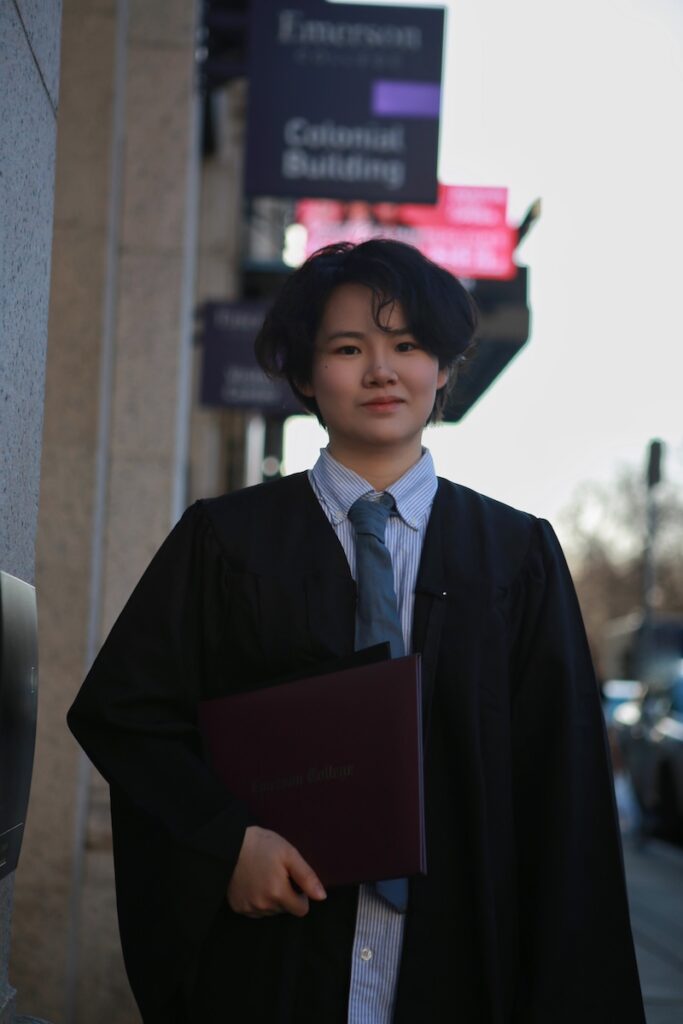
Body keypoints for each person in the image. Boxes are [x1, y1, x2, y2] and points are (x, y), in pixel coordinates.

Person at [68, 239, 645, 1024]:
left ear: (442, 368)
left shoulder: (515, 556)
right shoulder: (226, 543)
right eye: (348, 348)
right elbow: (124, 713)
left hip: (457, 960)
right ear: (307, 375)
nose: (381, 371)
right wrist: (226, 842)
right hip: (276, 958)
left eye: (407, 346)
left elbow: (561, 787)